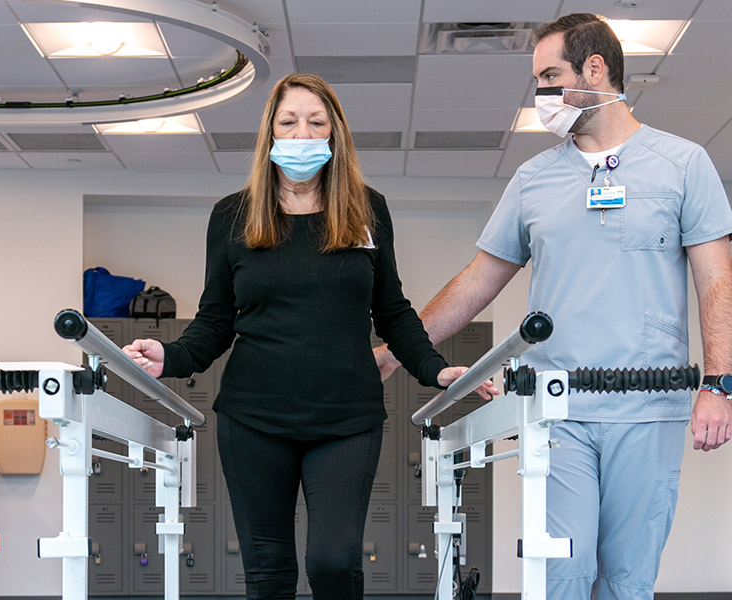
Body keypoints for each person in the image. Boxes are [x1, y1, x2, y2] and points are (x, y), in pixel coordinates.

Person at [375, 13, 732, 600]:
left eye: (549, 75)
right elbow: (477, 281)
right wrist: (394, 351)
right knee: (559, 574)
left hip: (646, 405)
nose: (540, 93)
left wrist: (716, 384)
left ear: (595, 69)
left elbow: (715, 280)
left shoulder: (683, 164)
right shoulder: (534, 178)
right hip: (555, 407)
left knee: (626, 579)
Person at [122, 73, 486, 600]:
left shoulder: (365, 209)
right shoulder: (233, 215)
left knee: (333, 562)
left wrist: (435, 369)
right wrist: (169, 356)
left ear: (334, 134)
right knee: (268, 574)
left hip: (345, 419)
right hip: (253, 418)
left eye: (316, 123)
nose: (302, 135)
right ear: (270, 132)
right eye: (288, 122)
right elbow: (215, 321)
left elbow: (392, 310)